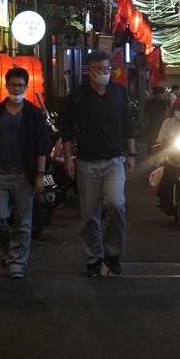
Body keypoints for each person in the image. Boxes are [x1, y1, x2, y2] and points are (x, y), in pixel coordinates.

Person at [60, 50, 136, 277]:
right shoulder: (77, 96)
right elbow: (67, 130)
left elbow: (127, 125)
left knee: (116, 204)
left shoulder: (119, 93)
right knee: (89, 213)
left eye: (107, 69)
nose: (105, 73)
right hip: (86, 161)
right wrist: (67, 158)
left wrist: (131, 155)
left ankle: (112, 253)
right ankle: (93, 256)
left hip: (114, 159)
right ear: (89, 71)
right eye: (100, 69)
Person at [0, 67, 51, 279]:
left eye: (20, 85)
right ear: (6, 86)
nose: (17, 89)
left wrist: (39, 173)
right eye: (13, 85)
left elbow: (41, 147)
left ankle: (17, 263)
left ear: (26, 88)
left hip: (24, 175)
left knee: (23, 222)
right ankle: (7, 247)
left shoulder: (33, 114)